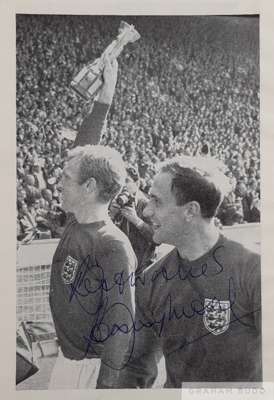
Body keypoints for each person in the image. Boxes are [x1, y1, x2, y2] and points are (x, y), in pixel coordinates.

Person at [118, 155, 261, 388]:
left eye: (157, 201)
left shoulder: (254, 270)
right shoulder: (151, 280)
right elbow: (135, 368)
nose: (146, 212)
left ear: (190, 210)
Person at [49, 58, 137, 389]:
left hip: (89, 371)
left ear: (89, 188)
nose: (59, 183)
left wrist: (106, 388)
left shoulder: (111, 245)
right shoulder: (77, 222)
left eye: (67, 179)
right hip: (67, 362)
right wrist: (105, 97)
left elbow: (121, 324)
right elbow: (83, 147)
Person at [109, 164, 157, 273]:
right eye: (120, 181)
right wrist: (111, 216)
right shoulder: (116, 201)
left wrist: (137, 221)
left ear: (137, 183)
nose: (123, 185)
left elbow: (156, 238)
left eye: (127, 180)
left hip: (141, 267)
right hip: (119, 263)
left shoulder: (146, 204)